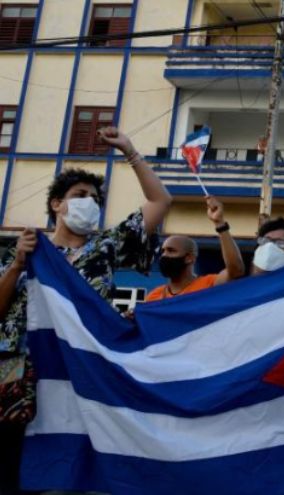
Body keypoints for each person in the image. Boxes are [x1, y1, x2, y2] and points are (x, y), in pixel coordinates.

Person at [0, 127, 172, 494]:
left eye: (94, 198)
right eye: (79, 196)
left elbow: (160, 203)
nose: (88, 203)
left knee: (67, 466)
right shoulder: (28, 250)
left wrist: (130, 152)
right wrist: (17, 264)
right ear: (56, 205)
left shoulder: (106, 246)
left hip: (79, 371)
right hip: (19, 374)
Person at [145, 196, 245, 301]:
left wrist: (219, 223)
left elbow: (236, 270)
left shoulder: (208, 285)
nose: (164, 255)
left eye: (171, 250)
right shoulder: (153, 297)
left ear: (189, 258)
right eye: (163, 251)